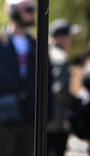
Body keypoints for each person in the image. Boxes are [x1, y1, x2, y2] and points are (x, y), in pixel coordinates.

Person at [0, 0, 38, 156]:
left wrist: (47, 113)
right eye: (28, 9)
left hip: (31, 117)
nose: (32, 12)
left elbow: (46, 79)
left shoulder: (36, 45)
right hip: (4, 117)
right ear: (13, 12)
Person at [47, 19, 81, 156]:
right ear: (59, 38)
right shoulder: (61, 58)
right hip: (56, 121)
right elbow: (59, 90)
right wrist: (76, 102)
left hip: (37, 120)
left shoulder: (39, 53)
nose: (72, 39)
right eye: (69, 36)